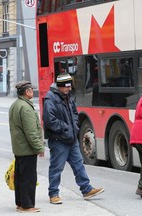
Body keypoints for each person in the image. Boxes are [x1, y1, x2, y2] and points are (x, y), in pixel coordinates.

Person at [42, 73, 104, 204]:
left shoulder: (67, 96)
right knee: (56, 167)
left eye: (70, 86)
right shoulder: (50, 98)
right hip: (59, 140)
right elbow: (49, 120)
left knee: (78, 165)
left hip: (71, 139)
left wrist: (74, 127)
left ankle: (86, 189)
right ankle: (53, 194)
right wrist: (65, 128)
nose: (69, 89)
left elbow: (74, 113)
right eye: (66, 87)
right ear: (59, 86)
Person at [9, 80, 45, 213]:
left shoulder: (15, 105)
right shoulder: (26, 108)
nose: (32, 91)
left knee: (20, 177)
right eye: (31, 89)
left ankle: (20, 203)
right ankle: (27, 205)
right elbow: (31, 132)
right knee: (28, 178)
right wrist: (39, 148)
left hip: (19, 148)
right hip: (27, 149)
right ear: (27, 92)